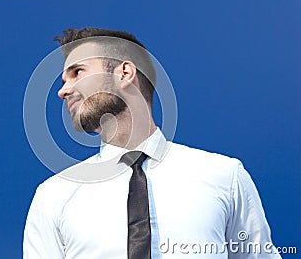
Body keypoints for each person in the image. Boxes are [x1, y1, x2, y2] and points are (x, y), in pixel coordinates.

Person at [23, 27, 281, 258]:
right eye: (63, 80)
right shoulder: (54, 197)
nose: (63, 90)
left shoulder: (225, 177)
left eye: (77, 72)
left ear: (124, 73)